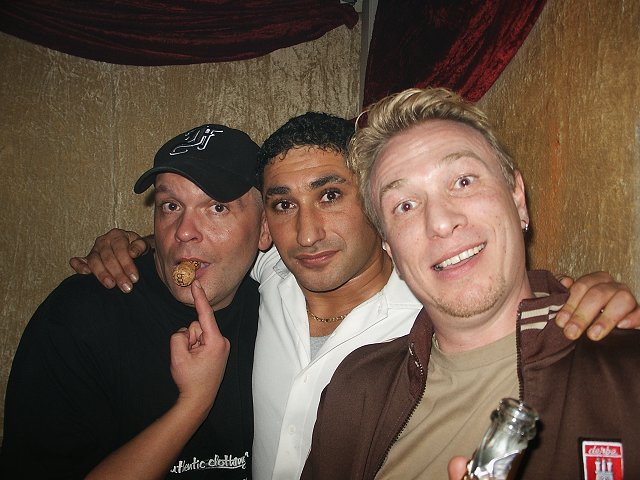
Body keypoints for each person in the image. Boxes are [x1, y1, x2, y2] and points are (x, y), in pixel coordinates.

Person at [69, 114, 640, 480]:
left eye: (330, 195)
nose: (307, 234)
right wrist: (133, 244)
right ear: (267, 226)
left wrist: (573, 296)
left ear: (375, 211)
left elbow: (486, 286)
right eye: (284, 205)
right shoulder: (272, 272)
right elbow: (209, 241)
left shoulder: (429, 308)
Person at [301, 88, 640, 479]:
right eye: (405, 205)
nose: (441, 222)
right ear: (390, 249)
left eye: (463, 181)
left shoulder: (625, 376)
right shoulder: (355, 389)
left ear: (518, 199)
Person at [0, 124, 271, 479]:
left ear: (264, 228)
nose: (183, 231)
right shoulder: (78, 318)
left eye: (217, 207)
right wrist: (193, 403)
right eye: (170, 206)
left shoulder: (285, 311)